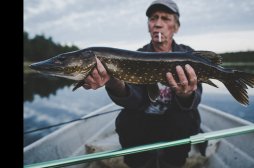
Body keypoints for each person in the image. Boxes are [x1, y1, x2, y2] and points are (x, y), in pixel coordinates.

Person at [83, 0, 207, 167]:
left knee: (184, 120)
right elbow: (135, 100)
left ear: (176, 27)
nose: (158, 24)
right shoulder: (137, 56)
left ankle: (172, 162)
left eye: (165, 18)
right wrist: (113, 83)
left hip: (175, 121)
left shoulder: (188, 55)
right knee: (126, 121)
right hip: (144, 119)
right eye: (153, 18)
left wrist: (185, 94)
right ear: (148, 26)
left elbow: (195, 99)